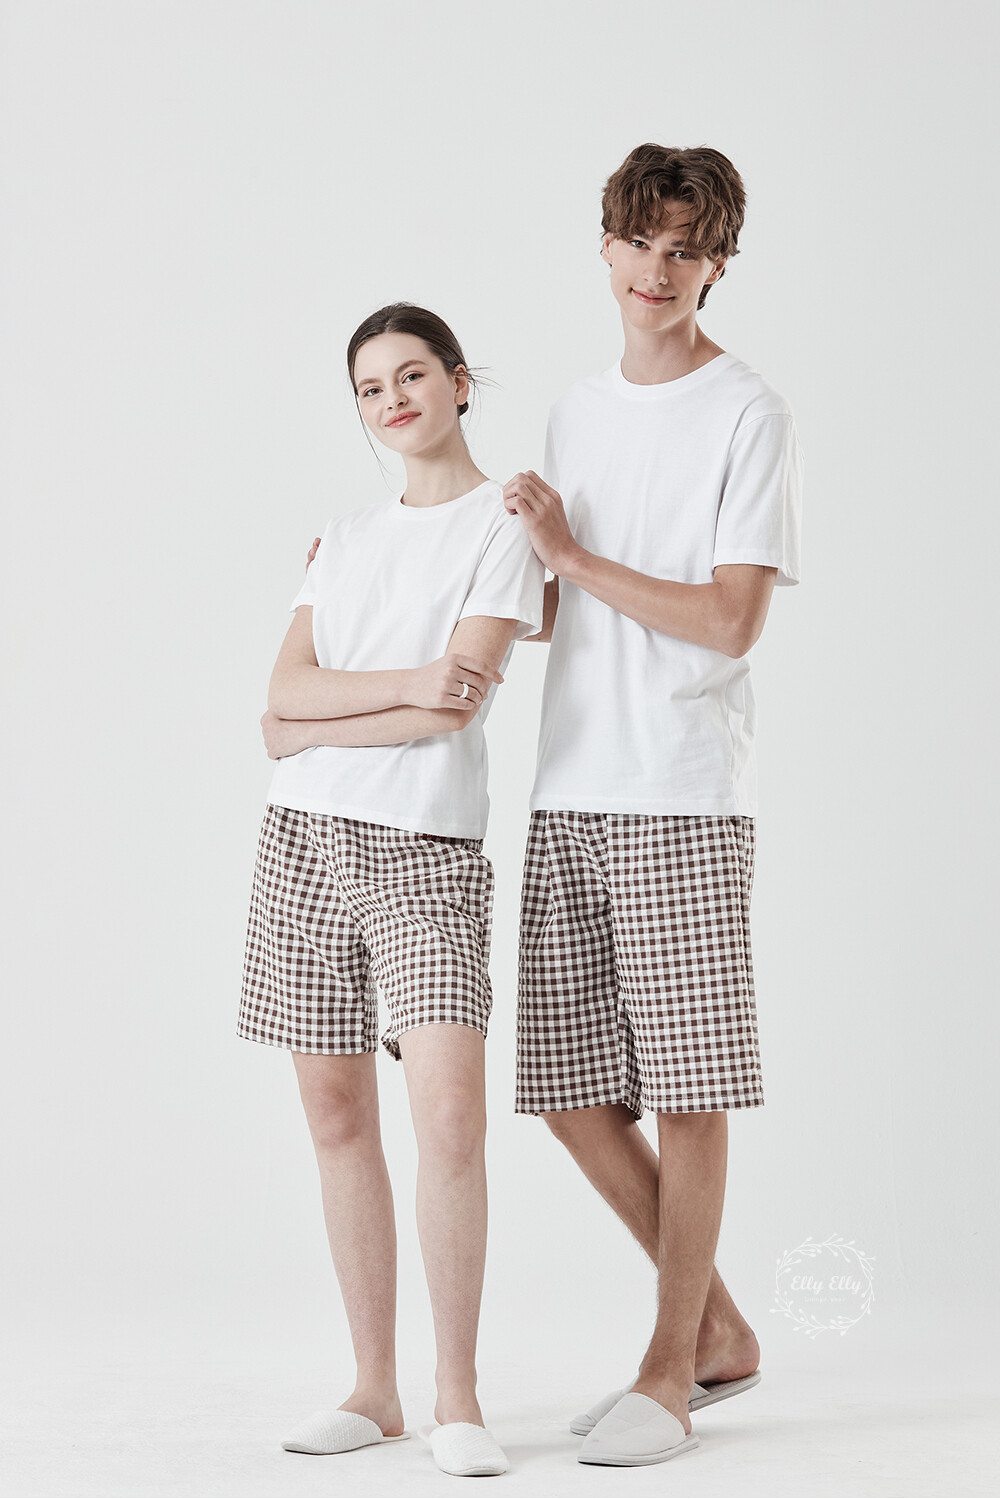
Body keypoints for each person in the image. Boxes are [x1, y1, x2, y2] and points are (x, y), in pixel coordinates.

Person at [503, 142, 803, 1467]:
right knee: (569, 1087)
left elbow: (731, 619)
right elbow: (554, 605)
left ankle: (669, 1370)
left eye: (686, 249)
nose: (658, 269)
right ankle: (719, 1326)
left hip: (680, 789)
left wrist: (572, 553)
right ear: (607, 246)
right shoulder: (573, 410)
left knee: (688, 1087)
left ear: (718, 263)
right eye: (640, 241)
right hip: (569, 781)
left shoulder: (749, 411)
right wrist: (406, 564)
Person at [239, 302, 544, 1479]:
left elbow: (455, 707)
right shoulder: (344, 534)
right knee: (334, 1115)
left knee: (450, 1116)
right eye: (370, 387)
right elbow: (279, 695)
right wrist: (404, 684)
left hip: (425, 852)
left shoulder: (501, 521)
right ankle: (374, 1388)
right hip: (303, 840)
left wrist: (334, 712)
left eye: (411, 375)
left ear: (459, 382)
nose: (392, 400)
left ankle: (457, 1394)